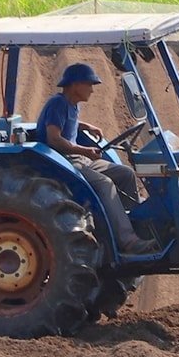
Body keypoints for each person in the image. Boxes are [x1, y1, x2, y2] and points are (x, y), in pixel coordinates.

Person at [37, 63, 159, 254]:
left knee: (125, 173)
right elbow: (54, 138)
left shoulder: (71, 105)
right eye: (89, 84)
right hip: (64, 161)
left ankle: (136, 226)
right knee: (105, 183)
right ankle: (127, 241)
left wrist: (86, 126)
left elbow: (68, 124)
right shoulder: (57, 103)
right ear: (76, 85)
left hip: (79, 158)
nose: (92, 90)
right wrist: (85, 150)